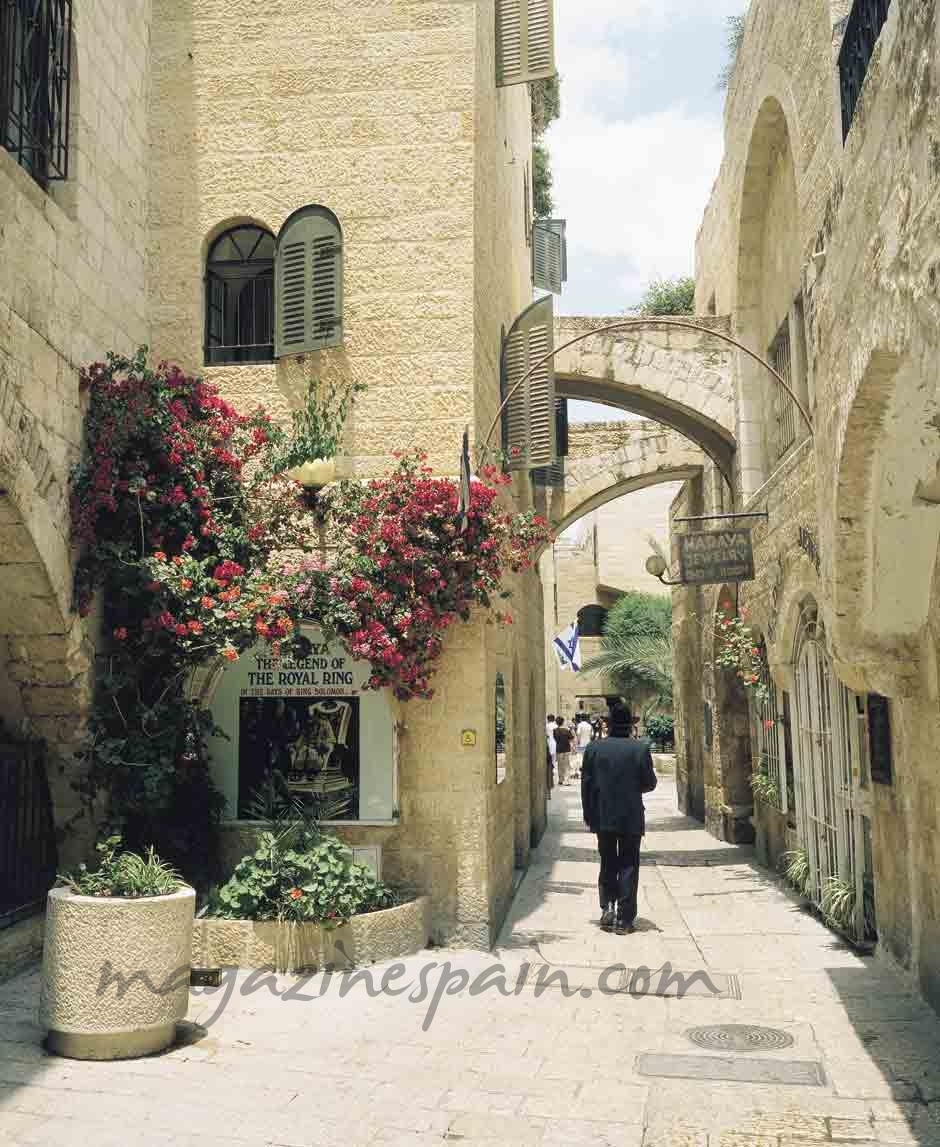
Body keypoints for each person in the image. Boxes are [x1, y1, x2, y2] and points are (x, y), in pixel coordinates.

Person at [580, 703, 657, 934]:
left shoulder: (594, 749)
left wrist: (588, 813)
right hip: (631, 816)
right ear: (630, 726)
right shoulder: (640, 749)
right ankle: (624, 919)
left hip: (603, 816)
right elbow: (650, 783)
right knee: (628, 864)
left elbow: (586, 785)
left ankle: (607, 907)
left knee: (607, 861)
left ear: (608, 724)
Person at [553, 715, 575, 785]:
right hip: (567, 748)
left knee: (560, 765)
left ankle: (560, 779)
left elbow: (555, 739)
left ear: (556, 723)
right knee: (567, 765)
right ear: (563, 722)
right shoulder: (567, 730)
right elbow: (571, 738)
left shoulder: (555, 731)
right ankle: (567, 780)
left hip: (559, 749)